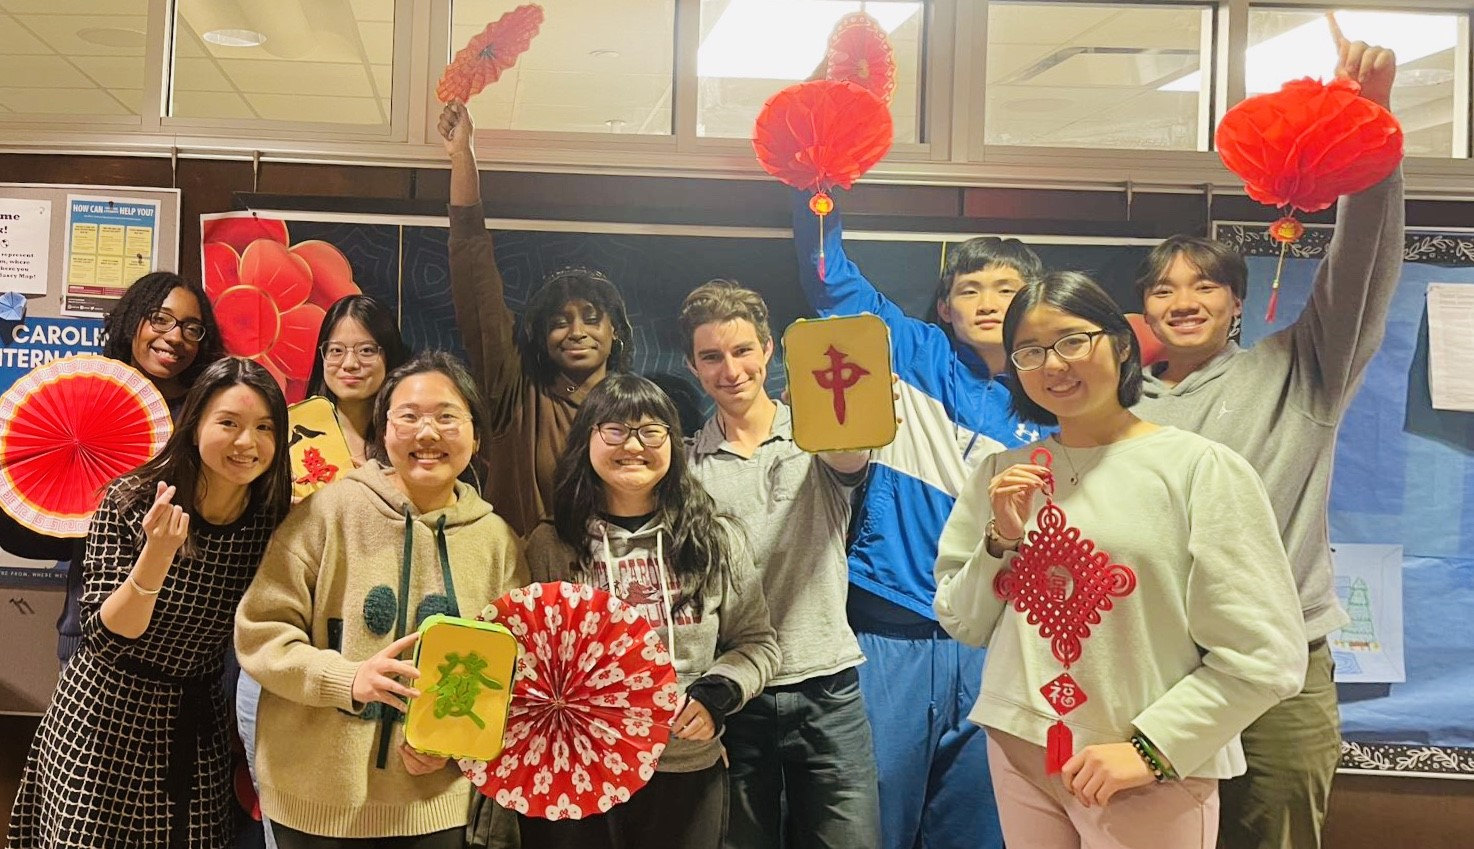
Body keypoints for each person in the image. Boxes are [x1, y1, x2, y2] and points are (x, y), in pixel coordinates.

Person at [1131, 36, 1403, 849]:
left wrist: (1374, 136)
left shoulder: (1303, 372)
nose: (1184, 300)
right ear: (1142, 307)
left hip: (1282, 670)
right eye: (1163, 287)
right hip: (1161, 671)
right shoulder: (1116, 407)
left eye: (1206, 283)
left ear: (1238, 303)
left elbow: (1361, 266)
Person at [934, 272, 1308, 849]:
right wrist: (999, 541)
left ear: (1123, 344)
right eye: (1029, 351)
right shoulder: (1001, 472)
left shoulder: (1199, 470)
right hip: (1020, 745)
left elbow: (1267, 653)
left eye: (1072, 340)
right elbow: (961, 620)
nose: (1053, 364)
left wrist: (1155, 749)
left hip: (1140, 765)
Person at [790, 191, 1045, 849]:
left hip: (996, 648)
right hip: (888, 635)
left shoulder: (1060, 395)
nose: (988, 300)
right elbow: (830, 278)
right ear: (944, 306)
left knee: (981, 828)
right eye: (970, 288)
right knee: (866, 824)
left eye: (1006, 287)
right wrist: (814, 186)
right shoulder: (907, 351)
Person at [235, 352, 527, 849]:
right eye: (408, 417)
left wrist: (456, 749)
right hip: (316, 800)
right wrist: (348, 679)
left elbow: (511, 667)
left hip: (434, 805)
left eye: (447, 416)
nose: (427, 433)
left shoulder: (497, 541)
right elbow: (262, 633)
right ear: (383, 431)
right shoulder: (329, 512)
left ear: (475, 435)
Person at [6, 357, 293, 849]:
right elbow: (105, 635)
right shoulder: (131, 500)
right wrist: (156, 554)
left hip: (196, 715)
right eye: (228, 423)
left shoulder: (270, 519)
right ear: (196, 422)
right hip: (105, 709)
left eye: (264, 427)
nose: (247, 443)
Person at [520, 373, 781, 849]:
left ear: (673, 443)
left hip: (684, 764)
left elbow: (757, 643)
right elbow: (525, 659)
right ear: (587, 441)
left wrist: (716, 694)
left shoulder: (713, 538)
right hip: (578, 770)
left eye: (650, 431)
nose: (633, 445)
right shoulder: (551, 543)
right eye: (615, 430)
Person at [677, 280, 880, 848]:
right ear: (693, 366)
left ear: (768, 350)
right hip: (734, 692)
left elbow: (850, 457)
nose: (731, 370)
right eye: (712, 357)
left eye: (743, 351)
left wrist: (859, 408)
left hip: (828, 684)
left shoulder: (820, 432)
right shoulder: (686, 466)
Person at [236, 293, 412, 848]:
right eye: (335, 350)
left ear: (390, 357)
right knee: (289, 805)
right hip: (293, 643)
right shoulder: (287, 430)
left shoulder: (413, 436)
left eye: (366, 349)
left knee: (376, 806)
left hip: (382, 641)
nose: (349, 363)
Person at [0, 271, 225, 663]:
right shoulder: (84, 399)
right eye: (160, 318)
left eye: (192, 328)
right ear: (132, 318)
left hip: (186, 636)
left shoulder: (210, 414)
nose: (175, 336)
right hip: (91, 624)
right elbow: (57, 538)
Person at [439, 99, 635, 537]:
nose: (577, 331)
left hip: (614, 592)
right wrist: (462, 156)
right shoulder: (517, 394)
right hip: (521, 588)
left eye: (591, 317)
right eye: (559, 321)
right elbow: (474, 273)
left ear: (615, 332)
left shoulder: (636, 410)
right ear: (541, 335)